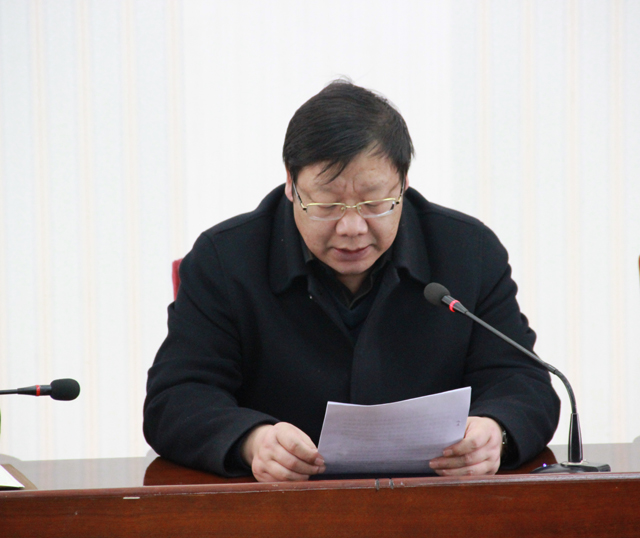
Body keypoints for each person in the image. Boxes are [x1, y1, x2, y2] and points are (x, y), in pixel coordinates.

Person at [143, 80, 560, 482]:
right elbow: (175, 399)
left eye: (375, 202)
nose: (352, 227)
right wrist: (252, 442)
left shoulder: (468, 252)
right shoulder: (224, 259)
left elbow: (525, 384)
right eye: (327, 204)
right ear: (291, 184)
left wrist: (496, 431)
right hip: (281, 507)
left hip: (434, 504)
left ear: (404, 183)